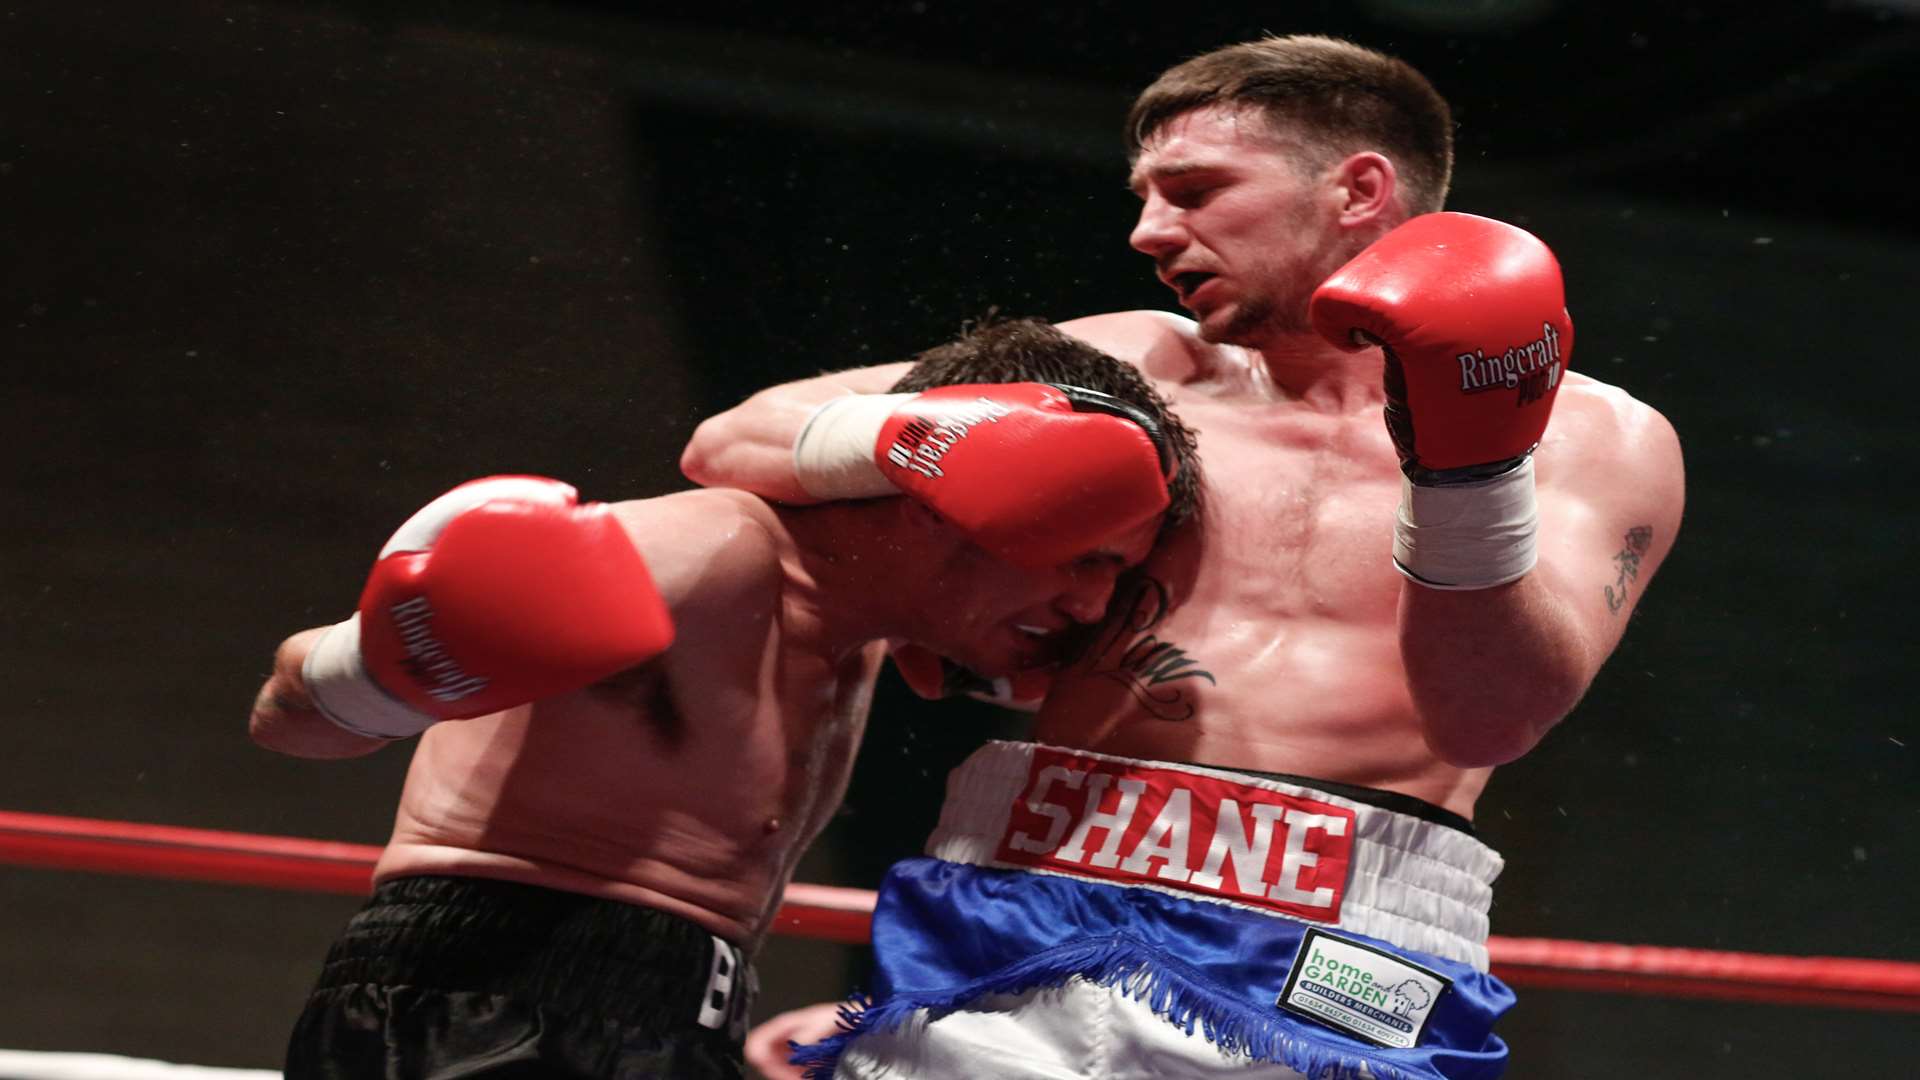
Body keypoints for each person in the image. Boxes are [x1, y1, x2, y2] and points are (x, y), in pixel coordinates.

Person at [683, 34, 1685, 1080]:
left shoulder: (1593, 438)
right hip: (1034, 877)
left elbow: (1490, 715)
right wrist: (924, 445)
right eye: (1147, 196)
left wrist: (1466, 471)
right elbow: (734, 441)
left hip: (1339, 934)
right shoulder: (1143, 366)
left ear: (1358, 188)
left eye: (1195, 189)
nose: (1151, 231)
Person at [247, 318, 1203, 1080]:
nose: (1087, 603)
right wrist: (386, 668)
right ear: (964, 495)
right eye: (1087, 559)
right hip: (481, 994)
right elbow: (287, 721)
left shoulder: (865, 639)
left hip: (677, 1012)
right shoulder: (714, 553)